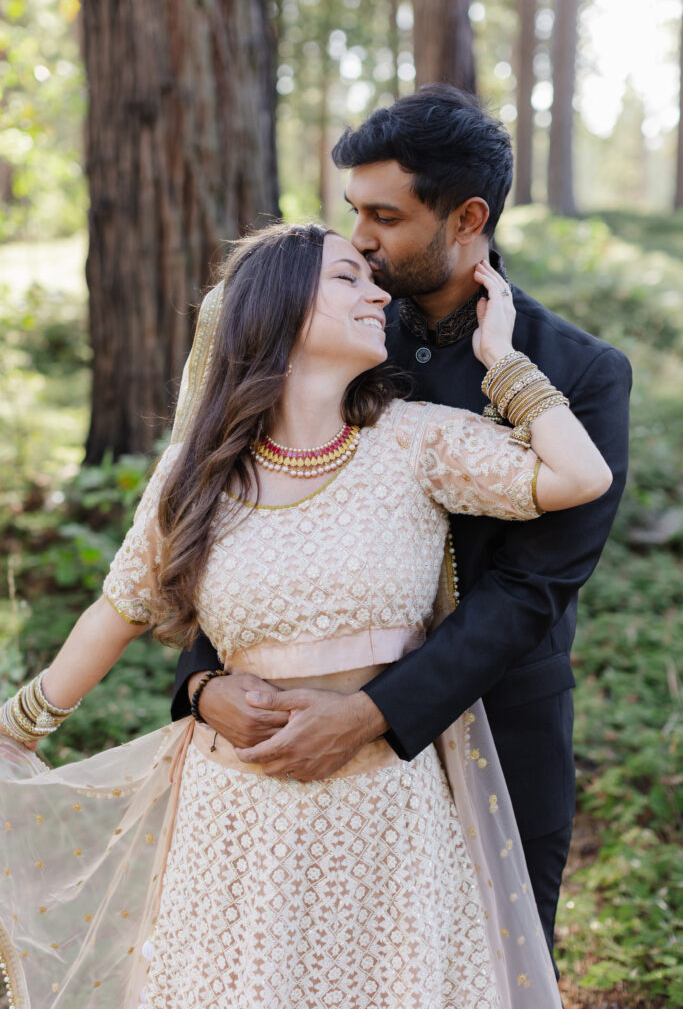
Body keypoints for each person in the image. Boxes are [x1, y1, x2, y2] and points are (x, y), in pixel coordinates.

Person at [0, 221, 613, 1008]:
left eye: (370, 278)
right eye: (346, 279)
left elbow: (579, 475)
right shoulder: (198, 473)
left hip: (387, 812)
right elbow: (116, 612)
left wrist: (504, 361)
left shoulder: (416, 442)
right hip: (235, 815)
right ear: (280, 311)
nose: (377, 293)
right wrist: (18, 727)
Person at [172, 86, 632, 965]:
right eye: (353, 213)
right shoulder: (328, 333)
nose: (359, 243)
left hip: (498, 723)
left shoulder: (580, 372)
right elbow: (245, 513)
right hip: (294, 745)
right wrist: (201, 683)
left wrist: (373, 713)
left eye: (384, 216)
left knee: (498, 965)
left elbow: (534, 586)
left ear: (466, 218)